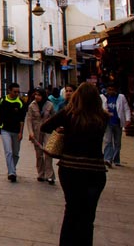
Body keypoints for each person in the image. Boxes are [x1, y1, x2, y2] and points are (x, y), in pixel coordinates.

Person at [41, 83, 109, 246]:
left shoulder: (69, 114)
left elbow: (46, 126)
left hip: (71, 170)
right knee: (88, 217)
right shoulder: (103, 117)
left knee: (71, 212)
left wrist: (64, 129)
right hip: (95, 171)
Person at [0, 82, 27, 182]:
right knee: (8, 151)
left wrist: (21, 132)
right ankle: (11, 172)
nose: (16, 93)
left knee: (16, 153)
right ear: (9, 91)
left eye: (18, 92)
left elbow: (22, 119)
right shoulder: (2, 100)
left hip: (16, 131)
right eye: (14, 92)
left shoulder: (20, 103)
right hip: (5, 130)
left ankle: (12, 168)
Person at [27, 88, 56, 184]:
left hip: (47, 131)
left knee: (48, 152)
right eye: (36, 95)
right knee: (39, 154)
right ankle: (40, 173)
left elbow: (54, 117)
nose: (37, 97)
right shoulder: (32, 106)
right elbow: (29, 120)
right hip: (36, 131)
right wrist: (30, 132)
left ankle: (50, 175)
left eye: (39, 95)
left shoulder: (50, 105)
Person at [100, 82, 131, 168]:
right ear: (106, 90)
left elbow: (126, 108)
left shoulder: (121, 97)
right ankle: (107, 159)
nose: (111, 91)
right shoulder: (102, 97)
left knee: (117, 142)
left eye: (113, 90)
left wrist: (128, 119)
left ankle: (116, 159)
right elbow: (99, 108)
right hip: (108, 123)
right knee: (108, 141)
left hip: (117, 122)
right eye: (109, 89)